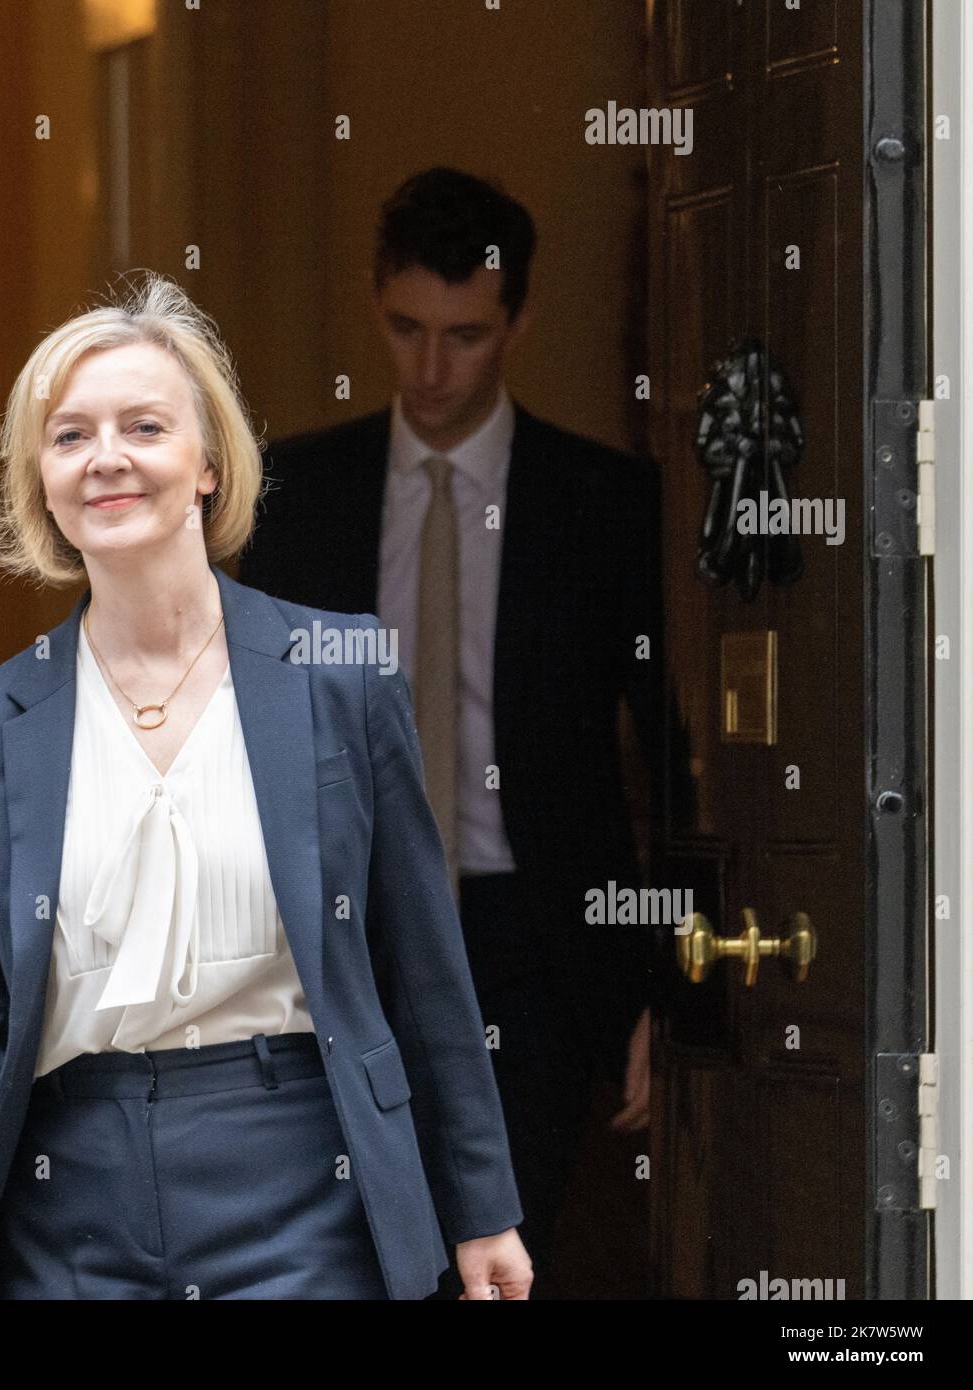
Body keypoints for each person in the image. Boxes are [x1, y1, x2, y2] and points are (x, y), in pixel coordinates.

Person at [0, 271, 530, 1301]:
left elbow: (423, 962)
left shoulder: (338, 672)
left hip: (303, 1178)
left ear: (208, 462)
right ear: (41, 480)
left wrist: (481, 1207)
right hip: (66, 1201)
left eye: (142, 426)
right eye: (69, 435)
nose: (106, 457)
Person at [239, 167, 666, 1298]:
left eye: (464, 336)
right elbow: (236, 740)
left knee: (506, 1264)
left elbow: (669, 757)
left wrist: (665, 981)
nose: (430, 371)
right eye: (405, 330)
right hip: (342, 937)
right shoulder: (297, 496)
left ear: (517, 321)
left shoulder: (602, 506)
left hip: (532, 948)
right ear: (377, 304)